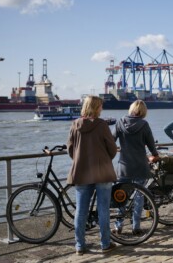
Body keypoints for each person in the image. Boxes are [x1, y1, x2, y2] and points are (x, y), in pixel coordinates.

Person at [67, 95, 117, 255]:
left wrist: (79, 160)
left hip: (82, 172)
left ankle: (80, 246)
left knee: (81, 210)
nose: (102, 108)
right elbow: (112, 148)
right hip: (102, 172)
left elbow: (70, 149)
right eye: (101, 106)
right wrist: (105, 159)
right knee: (103, 209)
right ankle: (105, 243)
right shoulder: (102, 125)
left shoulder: (75, 124)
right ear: (96, 107)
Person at [113, 100, 159, 234]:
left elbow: (111, 139)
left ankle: (118, 225)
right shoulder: (144, 125)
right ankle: (136, 227)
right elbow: (151, 143)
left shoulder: (120, 122)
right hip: (140, 166)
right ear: (143, 111)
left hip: (124, 166)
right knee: (139, 196)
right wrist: (155, 155)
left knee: (120, 196)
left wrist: (115, 149)